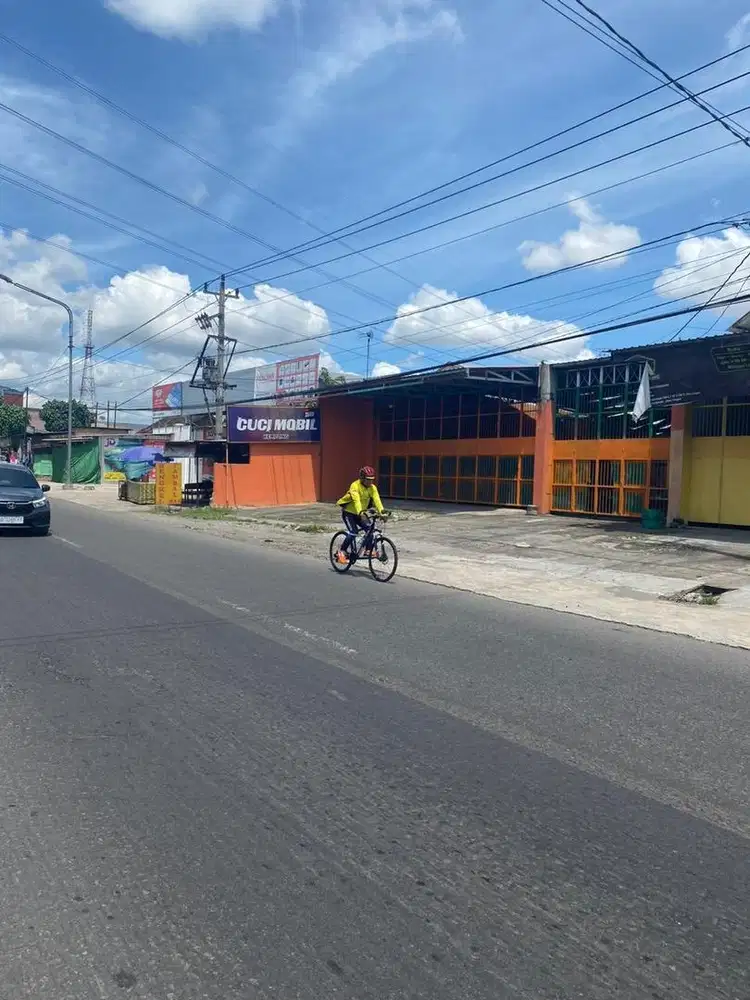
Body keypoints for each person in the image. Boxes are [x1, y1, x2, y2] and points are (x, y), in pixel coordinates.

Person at [336, 466, 385, 563]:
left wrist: (382, 513)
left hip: (360, 513)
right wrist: (360, 512)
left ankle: (368, 550)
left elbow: (377, 500)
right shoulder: (355, 486)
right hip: (349, 513)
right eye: (368, 480)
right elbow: (356, 500)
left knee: (370, 529)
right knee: (353, 532)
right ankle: (341, 551)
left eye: (372, 480)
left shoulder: (372, 488)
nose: (370, 482)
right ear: (362, 478)